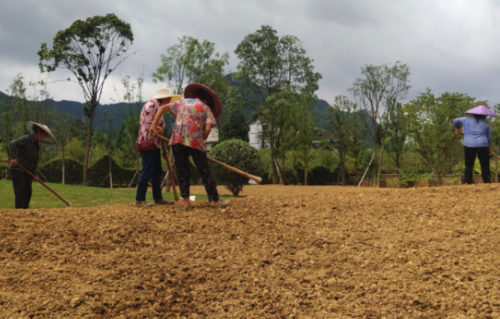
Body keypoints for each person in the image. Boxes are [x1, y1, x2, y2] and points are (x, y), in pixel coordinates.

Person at [150, 83, 229, 211]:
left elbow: (162, 108)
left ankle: (187, 203)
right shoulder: (205, 107)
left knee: (182, 171)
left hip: (177, 140)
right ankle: (216, 201)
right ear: (205, 100)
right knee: (204, 171)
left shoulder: (182, 102)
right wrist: (202, 139)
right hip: (195, 142)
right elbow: (208, 129)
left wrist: (153, 124)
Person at [135, 88, 181, 207]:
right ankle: (139, 199)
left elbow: (158, 129)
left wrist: (163, 149)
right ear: (165, 98)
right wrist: (159, 129)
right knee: (148, 170)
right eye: (169, 99)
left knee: (157, 171)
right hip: (148, 142)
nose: (170, 101)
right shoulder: (151, 105)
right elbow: (152, 129)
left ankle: (158, 198)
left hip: (155, 143)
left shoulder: (159, 107)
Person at [9, 122, 56, 209]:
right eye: (43, 136)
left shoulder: (37, 146)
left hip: (28, 170)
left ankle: (26, 207)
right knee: (21, 187)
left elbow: (34, 161)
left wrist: (35, 174)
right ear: (38, 133)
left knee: (28, 189)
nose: (43, 138)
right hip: (18, 167)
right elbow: (13, 144)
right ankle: (20, 209)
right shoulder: (26, 139)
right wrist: (13, 158)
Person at [453, 105, 496, 184]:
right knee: (485, 164)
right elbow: (489, 139)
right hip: (483, 145)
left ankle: (467, 182)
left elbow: (455, 120)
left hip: (469, 144)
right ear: (484, 115)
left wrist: (457, 128)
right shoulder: (486, 124)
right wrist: (488, 149)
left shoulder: (466, 119)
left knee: (469, 164)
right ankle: (487, 181)